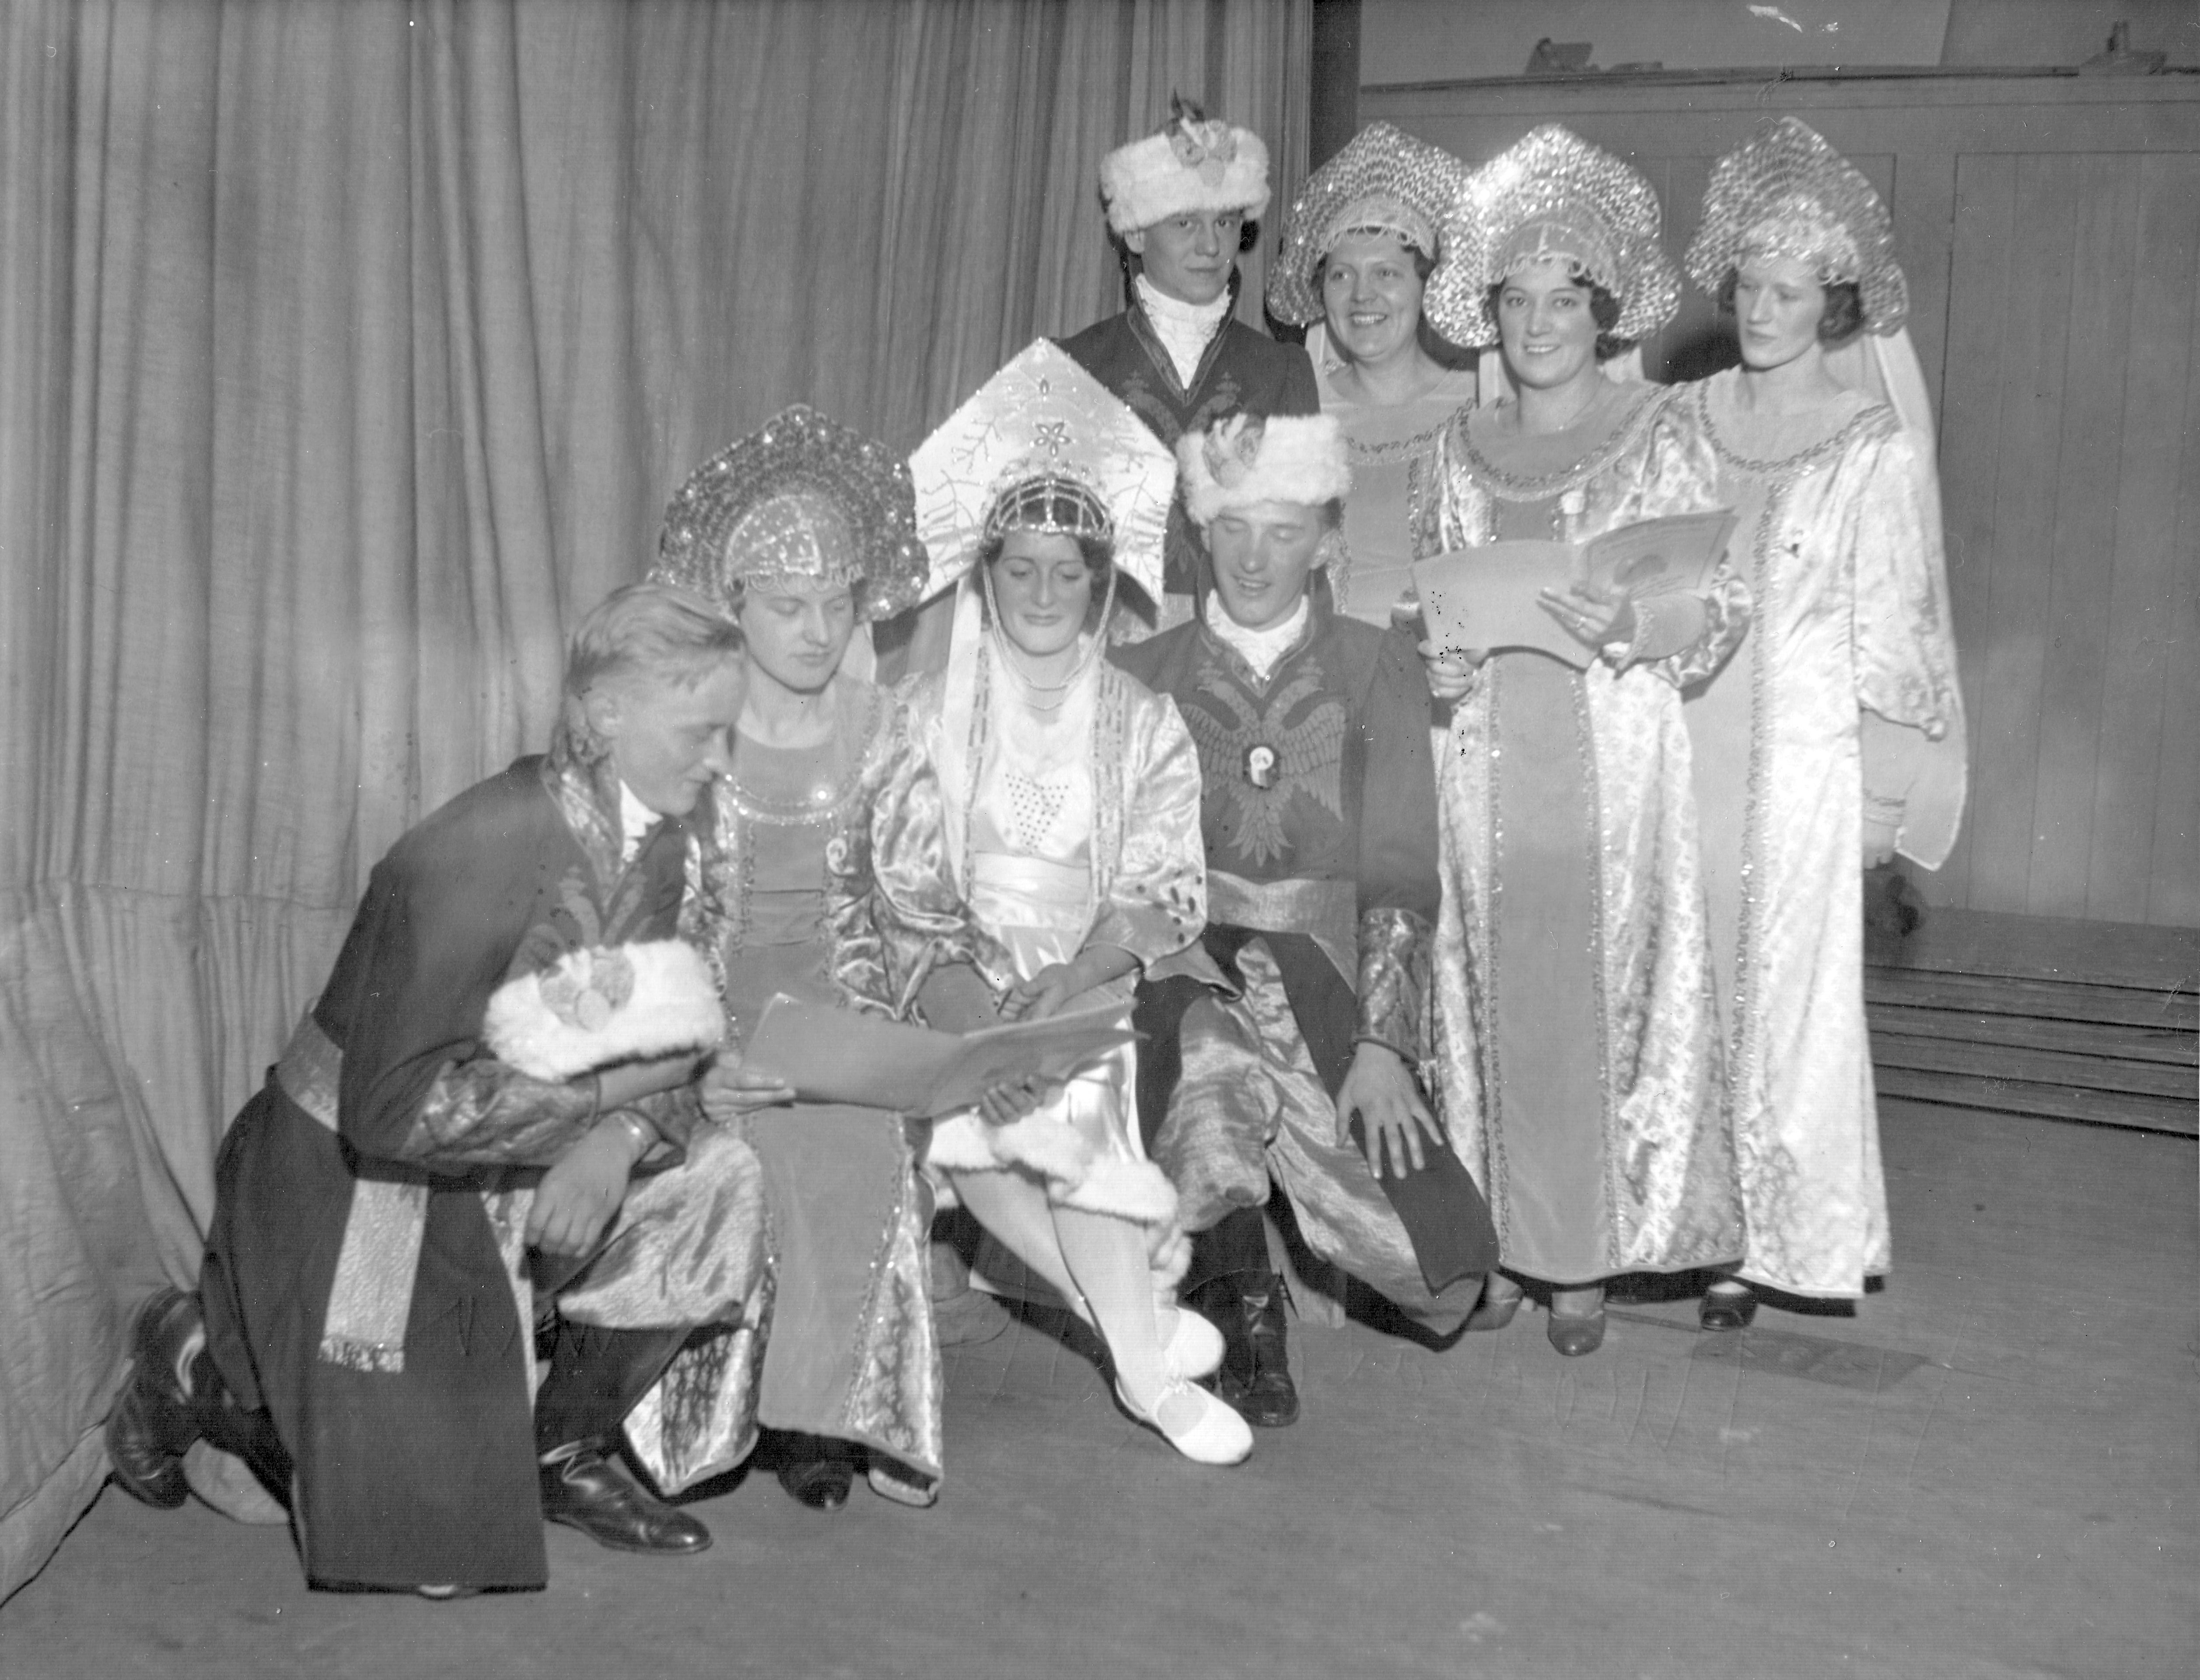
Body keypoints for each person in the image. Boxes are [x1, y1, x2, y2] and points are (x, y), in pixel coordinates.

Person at [105, 582, 771, 1594]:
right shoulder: (470, 855)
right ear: (603, 717)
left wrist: (619, 1139)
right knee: (424, 1553)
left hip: (515, 1152)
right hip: (363, 1176)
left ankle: (553, 1452)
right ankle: (196, 1362)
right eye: (701, 732)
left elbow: (675, 1031)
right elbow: (390, 1112)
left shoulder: (664, 839)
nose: (721, 761)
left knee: (722, 1175)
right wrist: (589, 1115)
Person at [1414, 126, 1749, 1356]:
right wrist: (1440, 655)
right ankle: (1499, 1241)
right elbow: (1438, 604)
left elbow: (1719, 606)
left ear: (1602, 310)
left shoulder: (1660, 430)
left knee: (1593, 1004)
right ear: (1487, 310)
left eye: (1565, 299)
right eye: (1517, 297)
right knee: (1489, 999)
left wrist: (1639, 617)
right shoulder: (1456, 446)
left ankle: (1580, 1268)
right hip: (1484, 761)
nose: (1540, 319)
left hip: (1611, 763)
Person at [650, 404, 1018, 1513]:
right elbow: (648, 921)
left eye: (838, 603)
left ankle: (831, 1417)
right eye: (788, 604)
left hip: (843, 1004)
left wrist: (975, 1016)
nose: (817, 629)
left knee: (858, 1137)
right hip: (714, 1010)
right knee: (763, 1142)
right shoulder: (688, 733)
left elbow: (918, 912)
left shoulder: (885, 726)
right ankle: (762, 1413)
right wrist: (690, 1055)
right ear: (735, 603)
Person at [904, 339, 1252, 1465]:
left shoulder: (1142, 721)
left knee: (1074, 1090)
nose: (1045, 593)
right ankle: (1143, 1353)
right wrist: (977, 999)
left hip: (1082, 984)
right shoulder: (924, 715)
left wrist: (1076, 978)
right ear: (985, 577)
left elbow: (1164, 883)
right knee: (969, 1119)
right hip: (950, 988)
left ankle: (1135, 1351)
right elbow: (903, 885)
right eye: (1022, 569)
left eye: (1069, 572)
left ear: (1102, 585)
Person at [1114, 411, 1476, 1428]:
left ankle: (1296, 1221)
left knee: (1435, 1268)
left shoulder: (1376, 669)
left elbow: (1404, 873)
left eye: (1284, 532)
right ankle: (1237, 1309)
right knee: (1209, 1075)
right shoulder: (1146, 676)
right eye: (1234, 528)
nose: (1256, 556)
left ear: (1326, 543)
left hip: (1330, 984)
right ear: (1201, 535)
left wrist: (1383, 1046)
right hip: (1185, 971)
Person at [1675, 118, 1966, 1324]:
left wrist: (1882, 811)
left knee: (1787, 1003)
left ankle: (1771, 1241)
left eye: (1788, 291)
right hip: (1679, 742)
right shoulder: (1678, 418)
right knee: (1676, 987)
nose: (1761, 307)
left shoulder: (1871, 453)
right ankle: (1677, 1219)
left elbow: (1897, 647)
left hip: (1802, 766)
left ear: (1834, 306)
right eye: (1748, 285)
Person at [1059, 97, 1321, 621]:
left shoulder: (1282, 370)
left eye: (1225, 222)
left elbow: (1307, 554)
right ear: (1134, 232)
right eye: (1184, 224)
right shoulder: (1072, 367)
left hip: (1235, 649)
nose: (1210, 245)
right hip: (1103, 652)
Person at [1265, 121, 1478, 627]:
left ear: (1425, 288)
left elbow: (1471, 581)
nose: (1362, 296)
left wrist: (1448, 675)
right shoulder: (1296, 404)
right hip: (1318, 677)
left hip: (1437, 676)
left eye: (1386, 273)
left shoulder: (1476, 407)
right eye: (1342, 275)